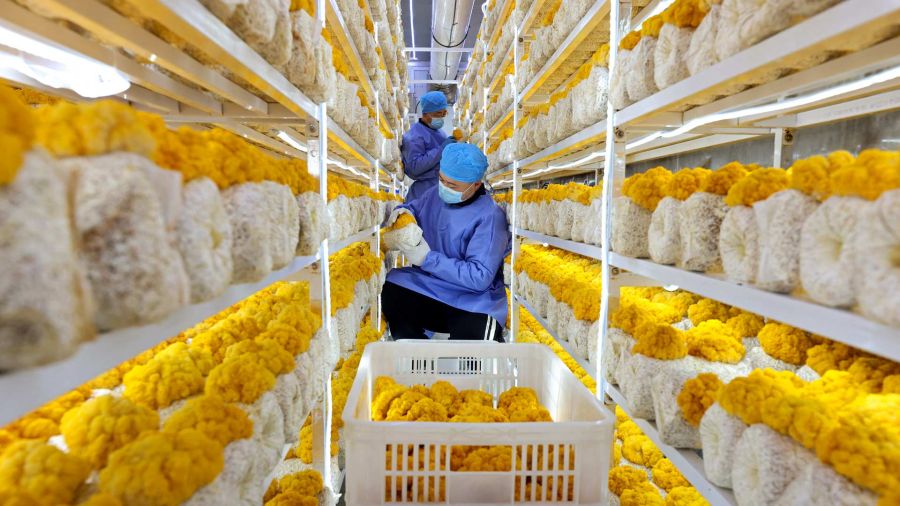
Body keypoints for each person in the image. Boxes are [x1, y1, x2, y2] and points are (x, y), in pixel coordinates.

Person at [381, 143, 510, 342]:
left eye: (452, 185)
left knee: (475, 346)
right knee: (392, 290)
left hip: (473, 299)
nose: (444, 188)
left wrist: (427, 259)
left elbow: (479, 277)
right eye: (442, 180)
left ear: (475, 184)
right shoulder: (434, 194)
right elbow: (414, 207)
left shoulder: (490, 217)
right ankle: (416, 357)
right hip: (432, 286)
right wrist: (404, 213)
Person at [400, 90, 458, 202]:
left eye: (443, 113)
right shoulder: (414, 135)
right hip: (423, 194)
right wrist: (441, 150)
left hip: (441, 190)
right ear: (425, 113)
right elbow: (414, 168)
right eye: (437, 114)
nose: (441, 117)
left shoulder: (440, 133)